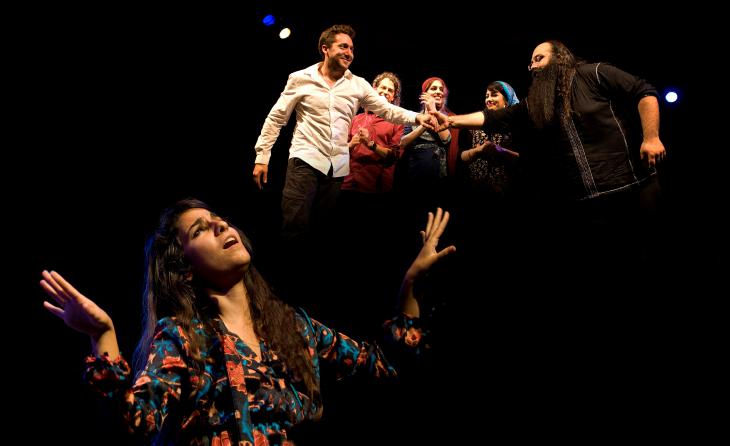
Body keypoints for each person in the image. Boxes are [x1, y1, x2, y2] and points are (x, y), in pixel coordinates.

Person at [40, 198, 454, 445]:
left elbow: (386, 366)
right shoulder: (184, 337)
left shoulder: (295, 327)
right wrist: (102, 334)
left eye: (219, 218)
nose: (221, 224)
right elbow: (135, 423)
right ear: (184, 268)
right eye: (201, 229)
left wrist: (410, 286)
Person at [433, 40, 667, 285]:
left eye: (539, 58)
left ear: (560, 57)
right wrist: (452, 121)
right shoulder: (538, 101)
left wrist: (651, 137)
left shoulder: (594, 73)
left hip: (632, 190)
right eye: (530, 61)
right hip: (590, 205)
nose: (532, 66)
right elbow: (494, 117)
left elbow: (644, 92)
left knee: (647, 263)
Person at [252, 25, 433, 245]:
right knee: (294, 228)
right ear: (325, 48)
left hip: (336, 169)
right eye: (343, 46)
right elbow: (277, 117)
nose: (349, 53)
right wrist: (262, 156)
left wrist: (418, 118)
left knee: (322, 231)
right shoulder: (300, 78)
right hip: (305, 161)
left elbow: (388, 110)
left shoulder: (358, 85)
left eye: (352, 48)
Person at [396, 77, 459, 230]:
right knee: (416, 221)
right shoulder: (413, 117)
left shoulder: (447, 118)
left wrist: (433, 112)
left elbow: (446, 139)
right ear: (424, 94)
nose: (438, 92)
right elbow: (403, 142)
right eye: (433, 88)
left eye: (440, 89)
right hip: (415, 177)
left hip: (439, 179)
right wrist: (423, 126)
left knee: (435, 222)